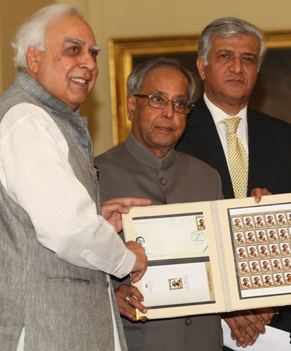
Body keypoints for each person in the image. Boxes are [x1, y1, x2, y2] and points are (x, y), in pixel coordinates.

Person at [0, 4, 149, 350]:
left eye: (92, 53)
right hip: (37, 331)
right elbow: (69, 229)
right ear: (33, 59)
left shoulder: (37, 117)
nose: (89, 63)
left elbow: (44, 221)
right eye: (73, 50)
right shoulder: (25, 119)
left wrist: (95, 220)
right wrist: (127, 258)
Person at [176, 16, 291, 350]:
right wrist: (227, 306)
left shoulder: (285, 137)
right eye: (225, 56)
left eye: (248, 59)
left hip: (272, 323)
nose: (237, 68)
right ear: (202, 65)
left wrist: (263, 302)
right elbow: (175, 233)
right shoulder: (176, 132)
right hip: (201, 324)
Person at [94, 58, 225, 350]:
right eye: (157, 100)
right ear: (131, 106)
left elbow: (224, 266)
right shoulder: (93, 177)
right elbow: (68, 272)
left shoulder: (207, 178)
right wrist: (107, 296)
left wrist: (256, 216)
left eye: (180, 104)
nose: (169, 113)